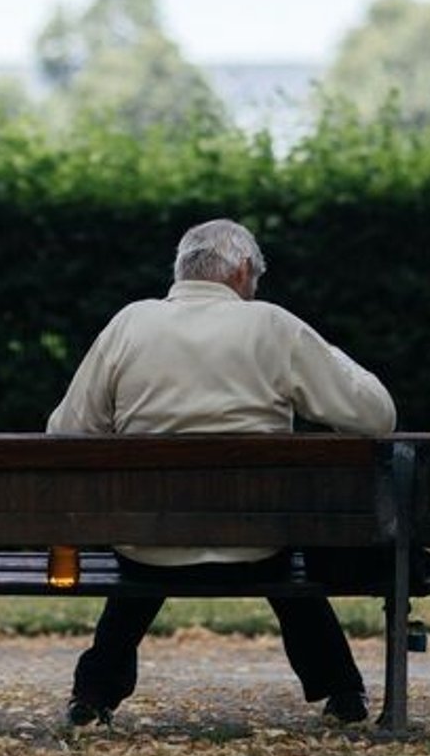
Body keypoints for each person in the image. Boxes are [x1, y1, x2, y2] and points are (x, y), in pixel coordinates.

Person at [47, 217, 396, 726]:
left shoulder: (130, 323)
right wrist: (330, 355)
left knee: (147, 553)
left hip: (149, 541)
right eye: (255, 279)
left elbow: (67, 431)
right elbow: (376, 416)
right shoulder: (273, 326)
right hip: (255, 544)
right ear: (241, 270)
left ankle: (93, 693)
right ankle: (342, 690)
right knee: (282, 561)